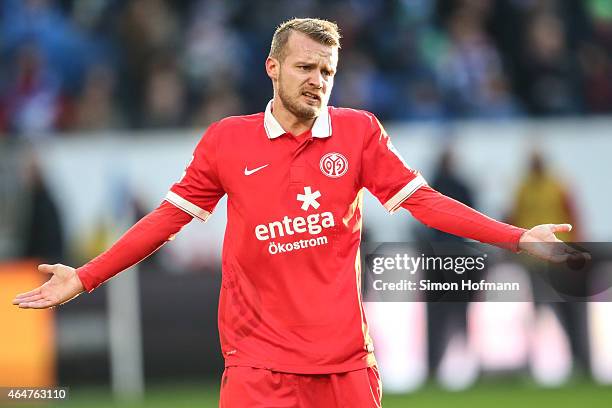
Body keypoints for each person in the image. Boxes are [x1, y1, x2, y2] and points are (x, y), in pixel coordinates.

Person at [13, 18, 582, 408]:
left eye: (327, 71)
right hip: (257, 367)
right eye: (306, 67)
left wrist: (515, 239)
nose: (318, 82)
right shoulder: (226, 142)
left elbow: (426, 203)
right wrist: (85, 276)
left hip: (345, 367)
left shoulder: (358, 133)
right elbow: (167, 219)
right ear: (272, 68)